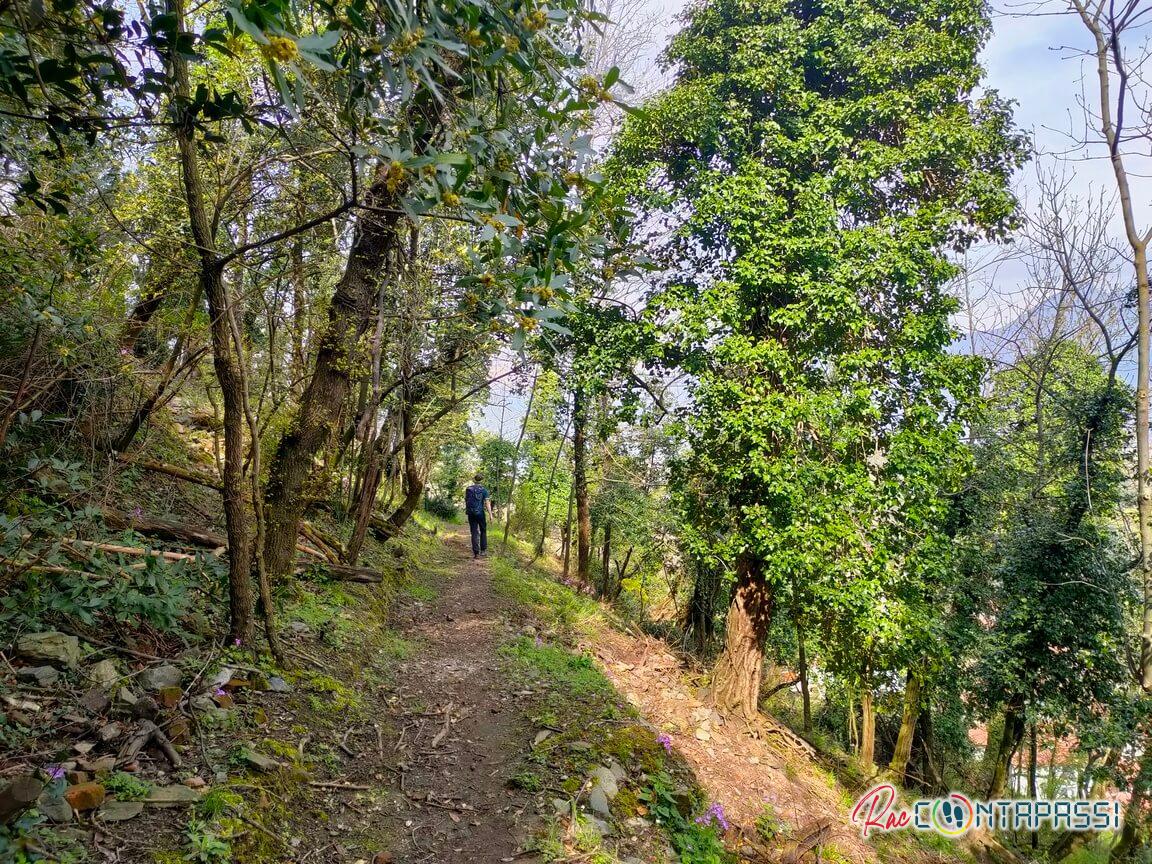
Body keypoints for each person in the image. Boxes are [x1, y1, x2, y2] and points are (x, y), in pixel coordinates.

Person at [464, 473, 492, 558]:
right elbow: (487, 503)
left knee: (474, 532)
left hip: (471, 513)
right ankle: (483, 551)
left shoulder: (468, 489)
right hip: (480, 513)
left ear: (474, 480)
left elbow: (466, 500)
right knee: (483, 530)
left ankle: (476, 553)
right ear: (482, 480)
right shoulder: (484, 490)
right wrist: (490, 514)